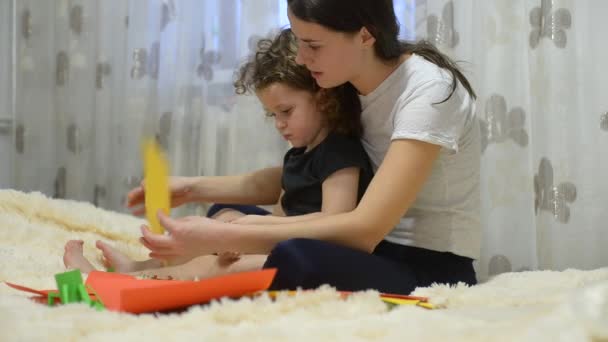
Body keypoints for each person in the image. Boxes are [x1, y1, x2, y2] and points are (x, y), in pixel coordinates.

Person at [133, 0, 482, 295]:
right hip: (369, 249)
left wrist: (223, 237)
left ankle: (158, 283)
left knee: (295, 256)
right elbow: (310, 172)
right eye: (300, 42)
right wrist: (192, 188)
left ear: (365, 35)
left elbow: (364, 230)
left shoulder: (428, 92)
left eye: (313, 46)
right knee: (226, 210)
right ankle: (157, 276)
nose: (300, 59)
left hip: (424, 265)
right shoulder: (346, 83)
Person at [63, 28, 374, 279]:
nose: (280, 124)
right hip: (283, 239)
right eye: (273, 115)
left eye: (286, 111)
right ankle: (141, 268)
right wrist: (238, 232)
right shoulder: (301, 151)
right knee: (224, 215)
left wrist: (250, 232)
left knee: (217, 262)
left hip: (312, 251)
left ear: (323, 97)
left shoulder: (339, 151)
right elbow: (284, 212)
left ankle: (128, 281)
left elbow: (337, 220)